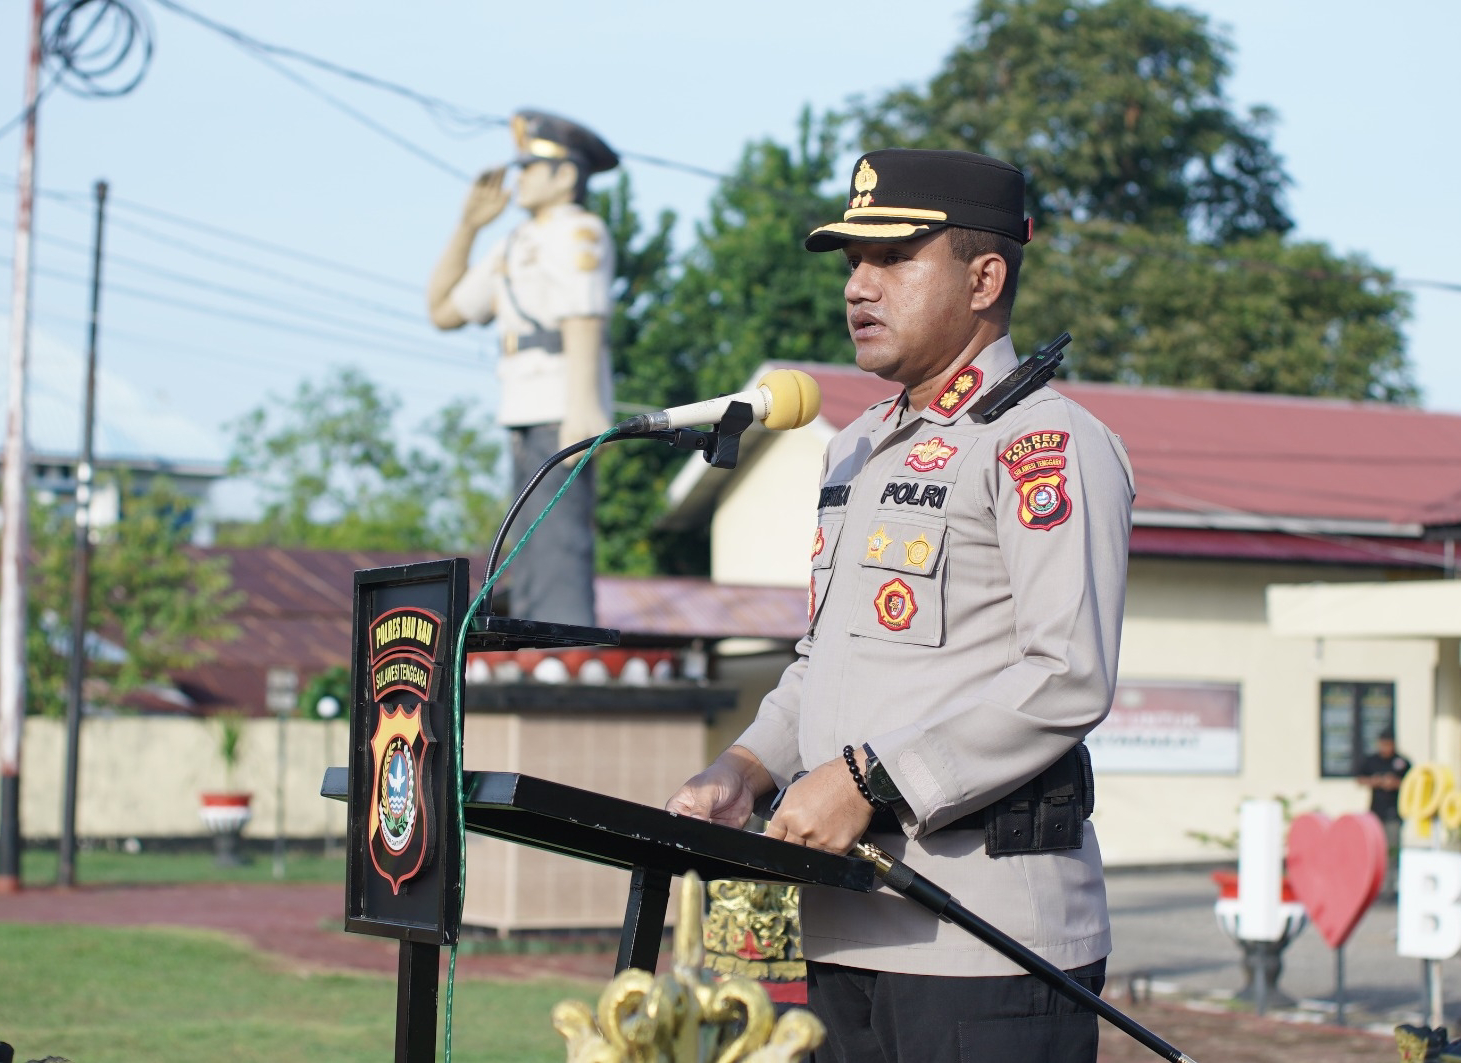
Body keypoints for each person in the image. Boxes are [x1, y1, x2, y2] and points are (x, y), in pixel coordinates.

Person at [667, 148, 1135, 1063]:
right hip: (841, 923)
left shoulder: (1042, 441)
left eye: (893, 259)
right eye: (853, 263)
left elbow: (1066, 675)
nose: (858, 286)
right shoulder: (855, 448)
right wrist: (742, 771)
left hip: (981, 939)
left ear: (984, 278)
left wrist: (867, 781)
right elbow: (823, 661)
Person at [427, 110, 618, 626]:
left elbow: (584, 316)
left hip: (561, 405)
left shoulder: (579, 230)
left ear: (565, 175)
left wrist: (583, 409)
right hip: (522, 408)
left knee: (559, 541)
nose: (520, 179)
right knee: (527, 542)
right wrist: (468, 226)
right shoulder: (515, 241)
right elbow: (443, 310)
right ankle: (535, 638)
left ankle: (563, 641)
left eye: (531, 167)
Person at [1356, 730, 1411, 894]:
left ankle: (1390, 888)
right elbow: (1359, 779)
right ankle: (1375, 887)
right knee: (1375, 851)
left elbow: (1412, 783)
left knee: (1392, 851)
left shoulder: (1401, 762)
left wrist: (1395, 783)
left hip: (1394, 813)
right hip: (1376, 813)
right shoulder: (1372, 761)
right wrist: (1376, 781)